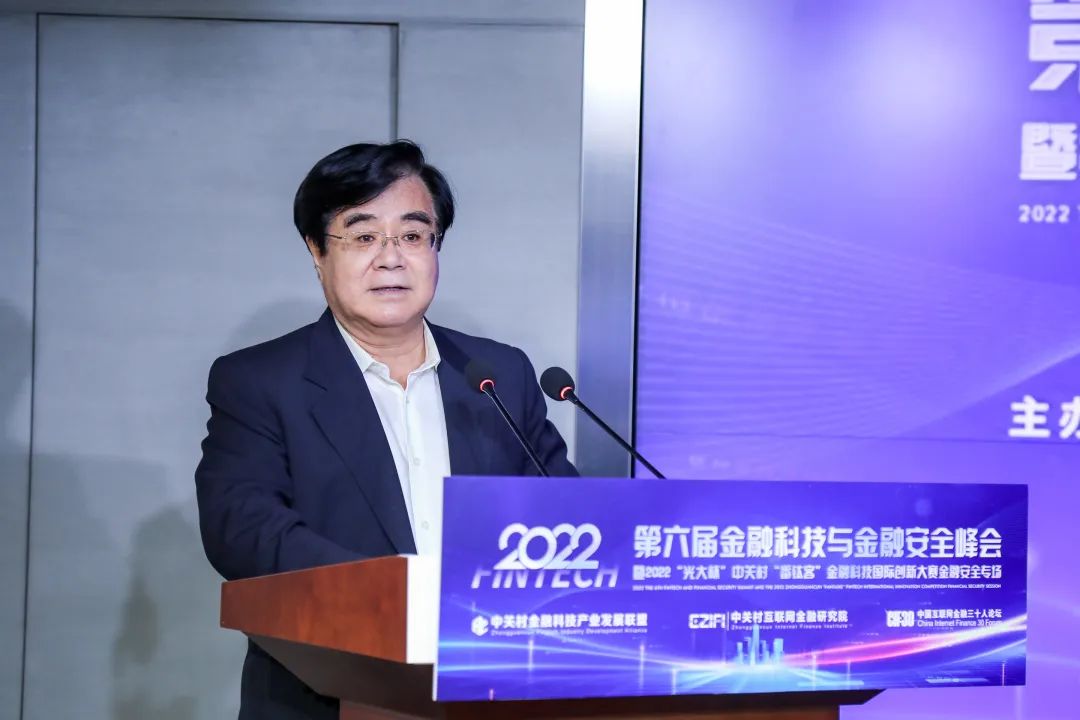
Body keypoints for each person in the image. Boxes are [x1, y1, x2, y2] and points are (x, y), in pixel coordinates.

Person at [194, 140, 577, 719]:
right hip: (331, 692)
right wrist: (401, 594)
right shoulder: (260, 380)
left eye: (413, 235)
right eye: (364, 236)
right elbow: (244, 531)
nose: (391, 258)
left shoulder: (499, 375)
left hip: (496, 686)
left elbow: (565, 516)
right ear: (317, 250)